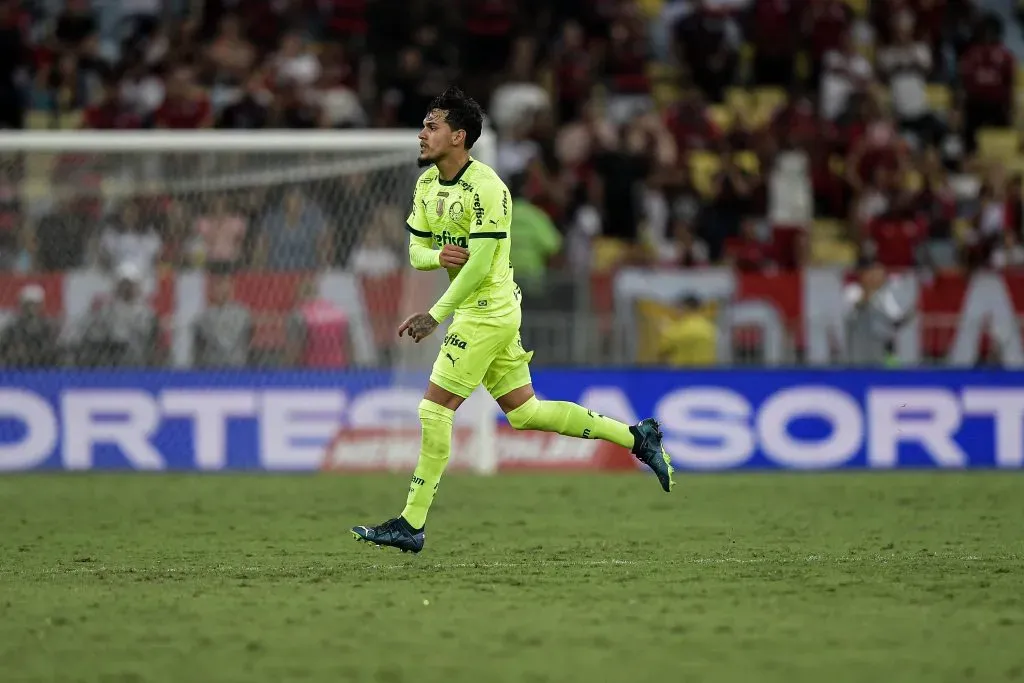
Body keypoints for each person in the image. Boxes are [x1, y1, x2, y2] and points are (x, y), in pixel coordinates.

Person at [351, 87, 675, 554]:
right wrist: (436, 254)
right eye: (423, 125)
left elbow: (481, 266)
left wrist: (435, 314)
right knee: (525, 412)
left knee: (434, 409)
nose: (422, 134)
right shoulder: (425, 186)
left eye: (432, 126)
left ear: (458, 136)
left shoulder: (487, 189)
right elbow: (415, 251)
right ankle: (636, 436)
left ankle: (411, 523)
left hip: (487, 311)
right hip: (477, 309)